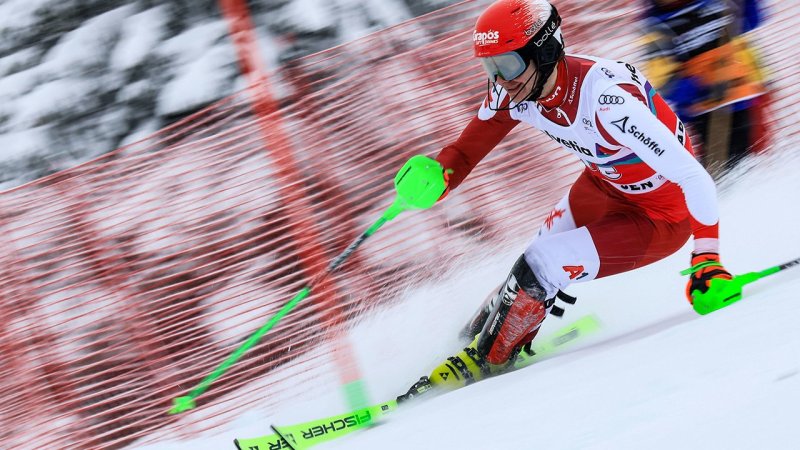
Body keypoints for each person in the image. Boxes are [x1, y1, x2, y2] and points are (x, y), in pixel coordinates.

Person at [395, 0, 736, 397]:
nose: (499, 80)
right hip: (602, 188)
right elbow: (466, 152)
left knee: (541, 265)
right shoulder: (517, 89)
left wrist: (707, 259)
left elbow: (694, 178)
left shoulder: (609, 101)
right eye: (490, 68)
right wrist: (437, 178)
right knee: (520, 280)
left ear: (543, 50)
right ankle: (479, 340)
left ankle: (489, 360)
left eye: (506, 65)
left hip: (659, 216)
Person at [641, 0, 770, 172]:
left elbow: (750, 21)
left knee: (751, 161)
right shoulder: (656, 26)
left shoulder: (716, 3)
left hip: (741, 97)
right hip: (705, 112)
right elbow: (662, 79)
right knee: (723, 168)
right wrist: (699, 88)